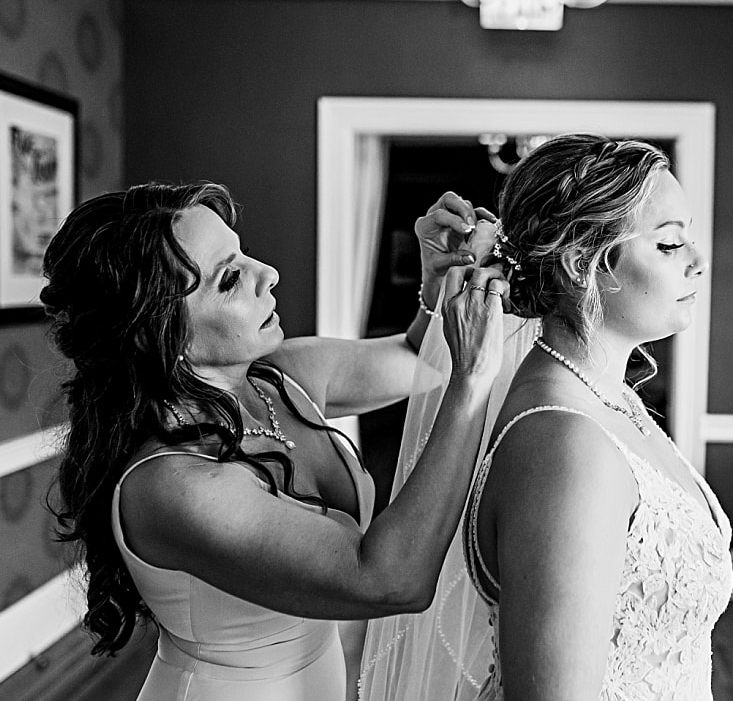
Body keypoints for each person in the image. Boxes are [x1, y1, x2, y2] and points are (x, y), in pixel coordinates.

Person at [40, 180, 507, 701]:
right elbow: (392, 579)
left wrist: (435, 286)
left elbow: (416, 362)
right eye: (231, 278)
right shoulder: (175, 484)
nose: (269, 274)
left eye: (243, 254)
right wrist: (473, 382)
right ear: (156, 331)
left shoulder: (280, 378)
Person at [361, 133, 733, 701]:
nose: (699, 261)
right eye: (667, 245)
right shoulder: (564, 445)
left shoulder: (614, 400)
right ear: (584, 263)